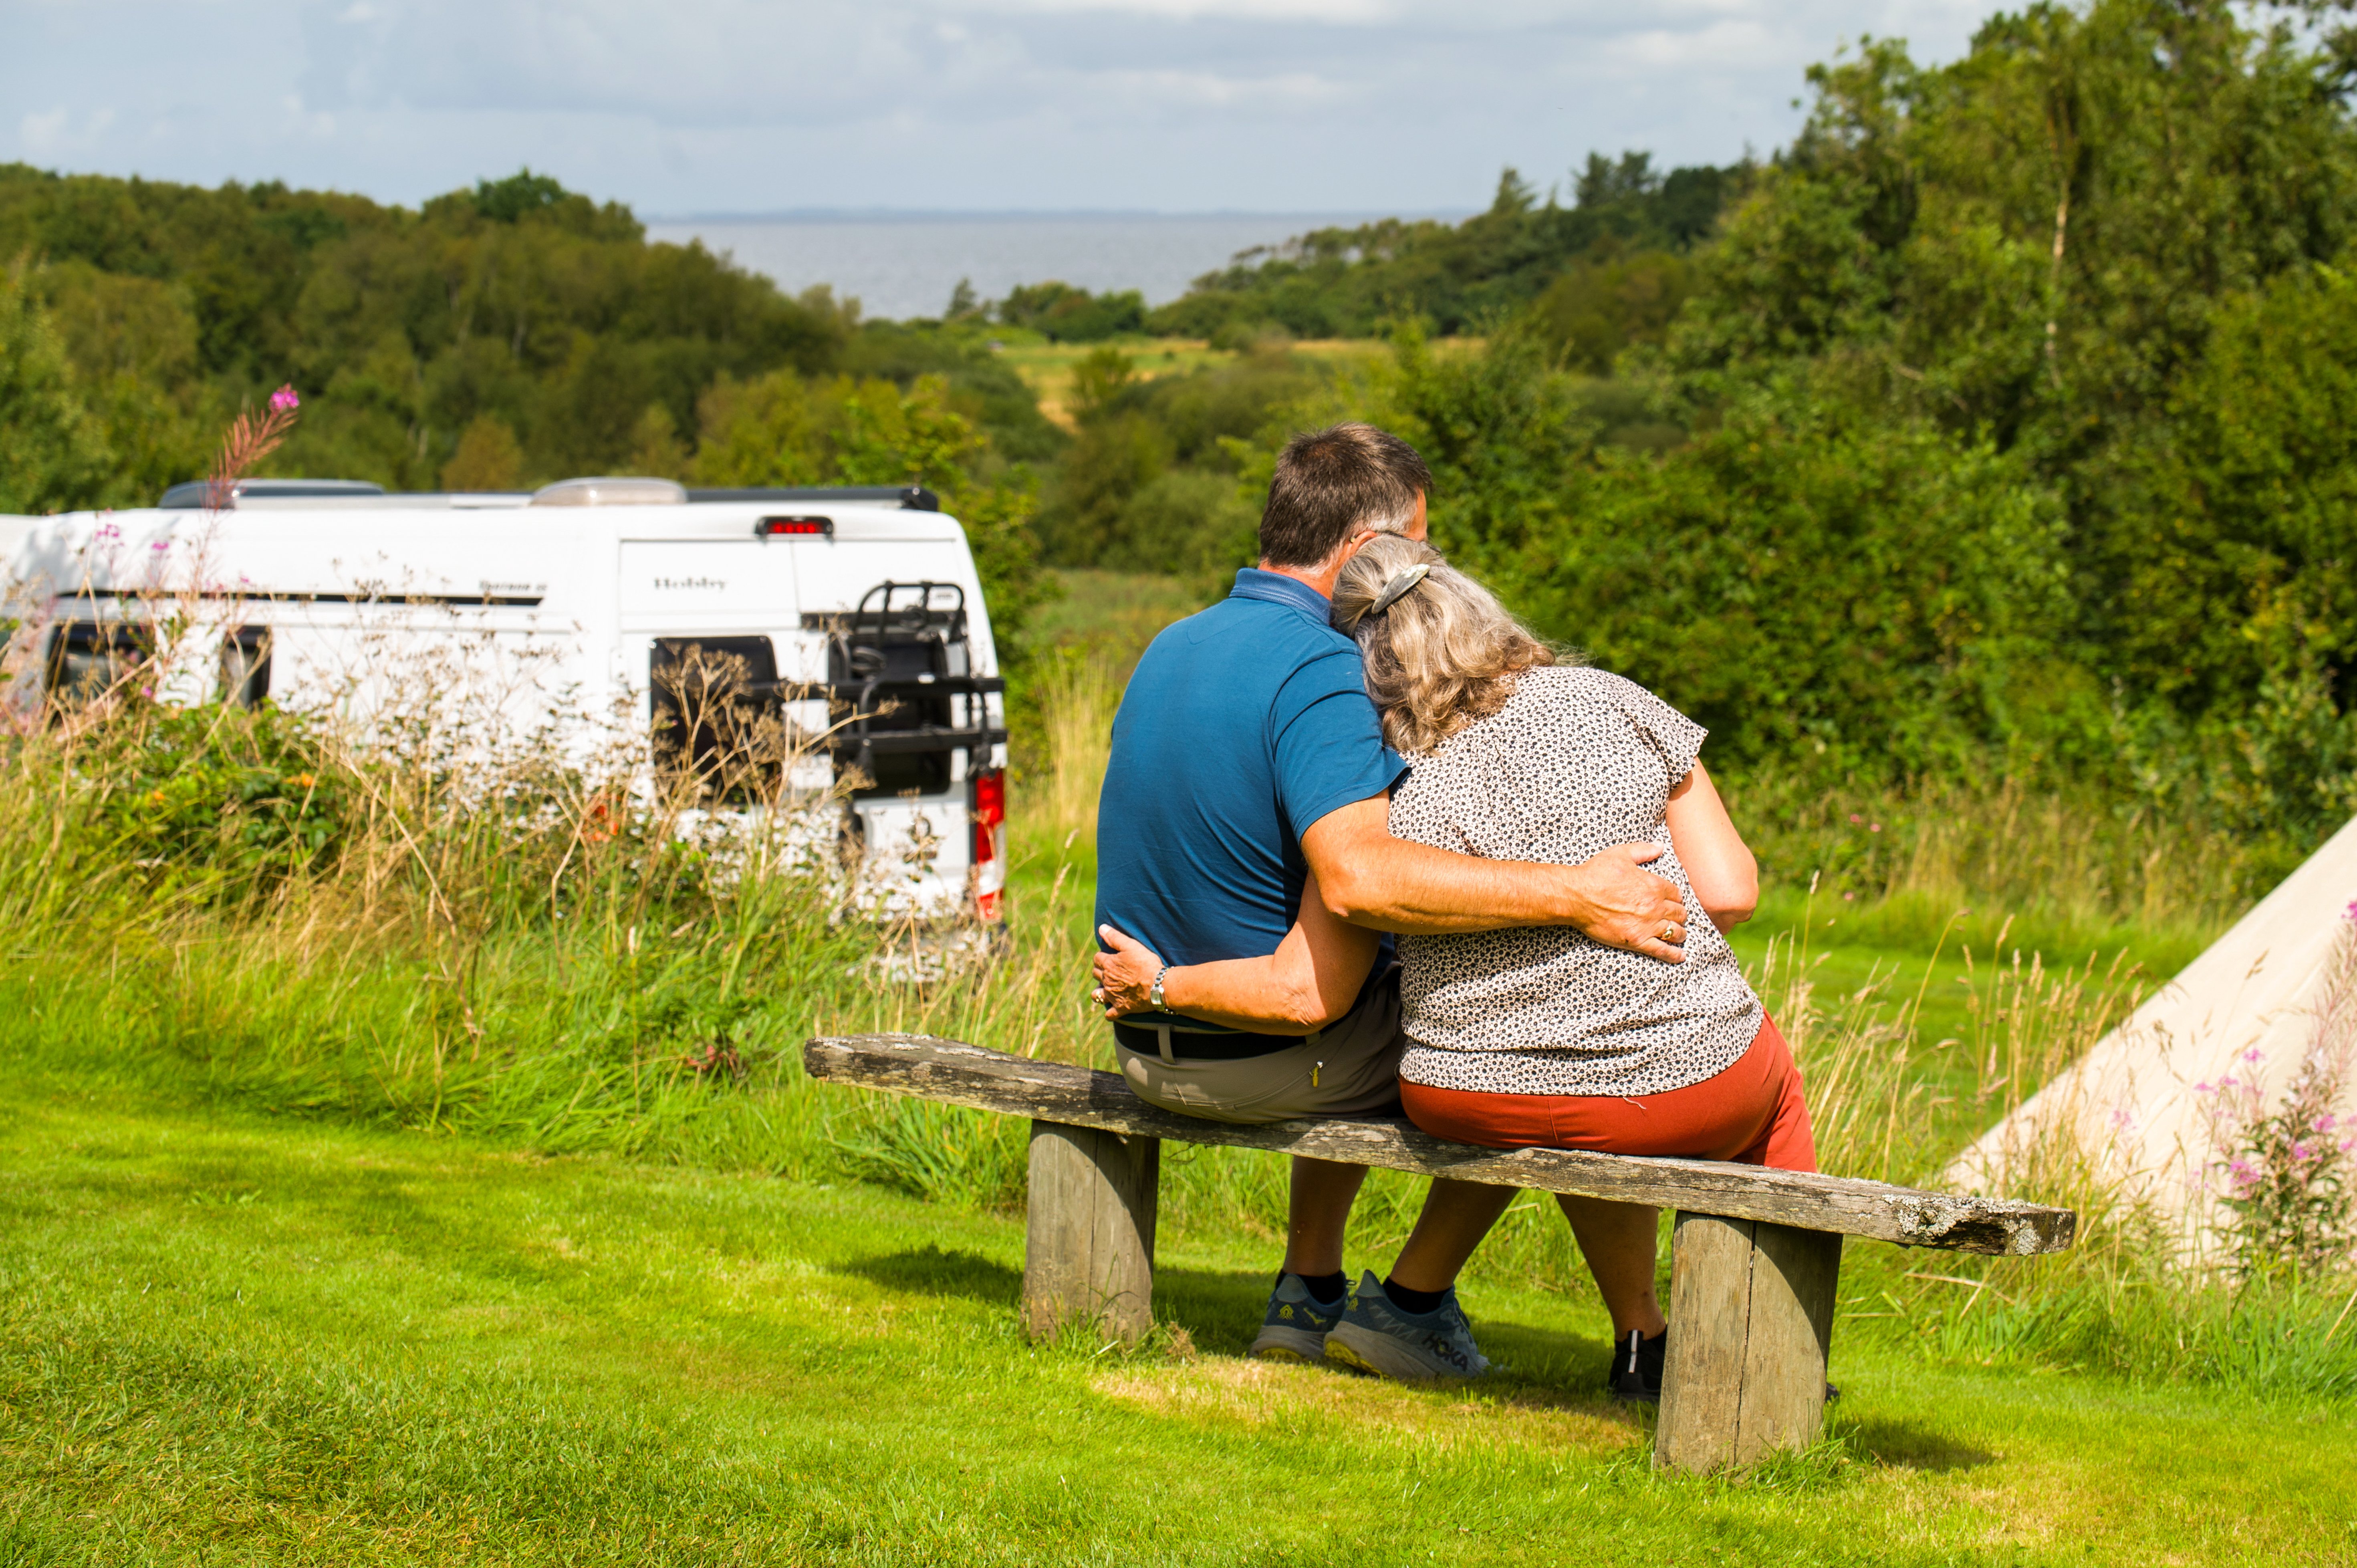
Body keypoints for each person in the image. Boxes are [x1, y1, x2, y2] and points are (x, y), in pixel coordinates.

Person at [1095, 533, 1816, 1402]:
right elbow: (1731, 892)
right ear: (1480, 607)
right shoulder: (1611, 698)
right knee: (1767, 1089)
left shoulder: (1387, 767)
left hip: (1462, 1088)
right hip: (1657, 1084)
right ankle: (1780, 1365)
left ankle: (1623, 1336)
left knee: (1568, 1099)